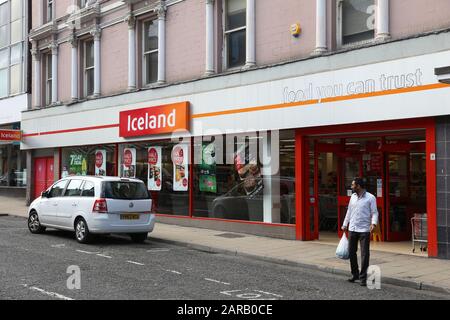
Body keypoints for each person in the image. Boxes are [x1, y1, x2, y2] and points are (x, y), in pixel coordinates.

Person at [341, 177, 378, 287]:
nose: (351, 187)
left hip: (364, 230)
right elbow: (349, 211)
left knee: (364, 254)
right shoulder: (352, 197)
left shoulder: (370, 198)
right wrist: (344, 224)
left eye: (353, 185)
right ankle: (355, 274)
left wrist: (373, 223)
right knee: (351, 252)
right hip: (352, 228)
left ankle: (363, 278)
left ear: (359, 186)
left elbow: (375, 212)